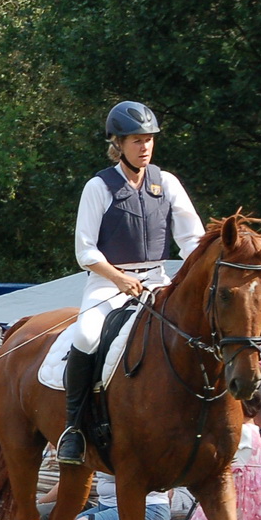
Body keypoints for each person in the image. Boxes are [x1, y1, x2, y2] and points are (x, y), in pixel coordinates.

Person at [61, 102, 203, 466]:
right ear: (118, 143)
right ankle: (74, 428)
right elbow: (85, 250)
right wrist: (119, 278)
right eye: (137, 141)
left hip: (158, 278)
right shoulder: (99, 186)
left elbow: (192, 239)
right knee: (87, 336)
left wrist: (192, 277)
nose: (145, 147)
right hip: (109, 281)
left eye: (150, 140)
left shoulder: (166, 182)